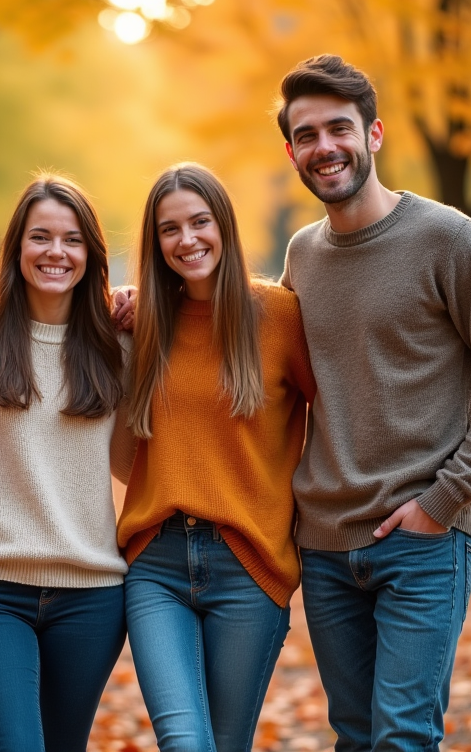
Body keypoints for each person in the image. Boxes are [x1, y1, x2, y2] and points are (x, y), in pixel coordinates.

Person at [276, 54, 471, 751]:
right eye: (307, 135)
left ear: (374, 135)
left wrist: (445, 499)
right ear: (291, 151)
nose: (324, 147)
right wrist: (139, 308)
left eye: (340, 128)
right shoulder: (302, 254)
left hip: (422, 541)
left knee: (402, 737)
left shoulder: (447, 238)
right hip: (327, 545)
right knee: (356, 734)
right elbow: (268, 363)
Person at [118, 163, 317, 751]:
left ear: (224, 226)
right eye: (169, 228)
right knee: (183, 740)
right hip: (156, 563)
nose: (187, 240)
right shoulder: (143, 322)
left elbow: (336, 418)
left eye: (200, 222)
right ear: (155, 242)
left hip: (249, 564)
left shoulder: (279, 315)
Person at [0, 174, 135, 752]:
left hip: (93, 593)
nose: (56, 252)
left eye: (72, 239)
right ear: (17, 248)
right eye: (41, 237)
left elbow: (131, 463)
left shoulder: (116, 348)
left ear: (91, 254)